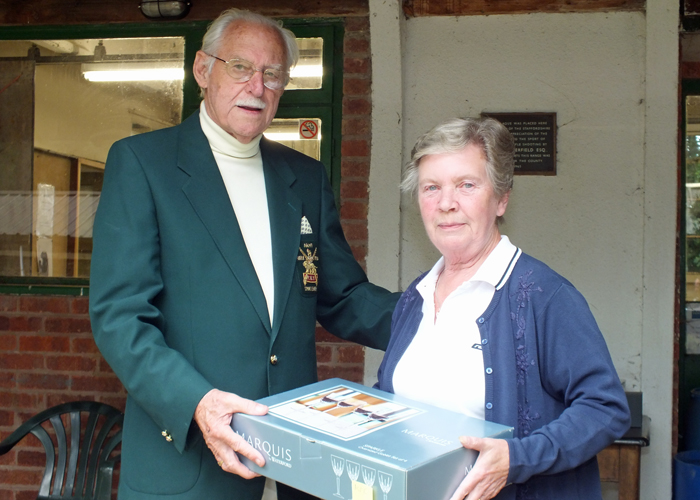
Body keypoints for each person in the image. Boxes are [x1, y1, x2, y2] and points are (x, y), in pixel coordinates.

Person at [89, 8, 398, 500]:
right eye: (240, 67)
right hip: (193, 461)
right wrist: (199, 403)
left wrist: (436, 317)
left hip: (300, 461)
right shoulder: (143, 164)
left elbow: (343, 296)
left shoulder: (303, 177)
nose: (257, 85)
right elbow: (120, 319)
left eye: (272, 74)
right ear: (202, 70)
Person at [375, 117, 630, 500]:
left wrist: (517, 458)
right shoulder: (416, 296)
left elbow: (605, 408)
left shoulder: (544, 295)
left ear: (501, 198)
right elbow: (392, 397)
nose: (447, 203)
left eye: (467, 185)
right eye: (432, 188)